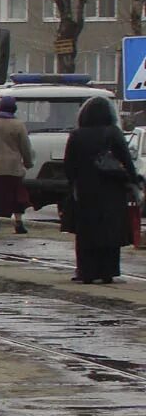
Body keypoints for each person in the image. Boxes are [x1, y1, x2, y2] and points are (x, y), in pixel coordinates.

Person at [62, 95, 143, 284]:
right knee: (110, 232)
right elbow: (126, 160)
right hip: (111, 190)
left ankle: (86, 272)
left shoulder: (76, 135)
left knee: (86, 233)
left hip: (85, 191)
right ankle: (108, 271)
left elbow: (69, 165)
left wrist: (73, 183)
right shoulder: (113, 132)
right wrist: (133, 181)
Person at [0, 96, 34, 235]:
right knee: (16, 197)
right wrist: (28, 163)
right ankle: (18, 222)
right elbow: (25, 147)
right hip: (13, 167)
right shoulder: (18, 125)